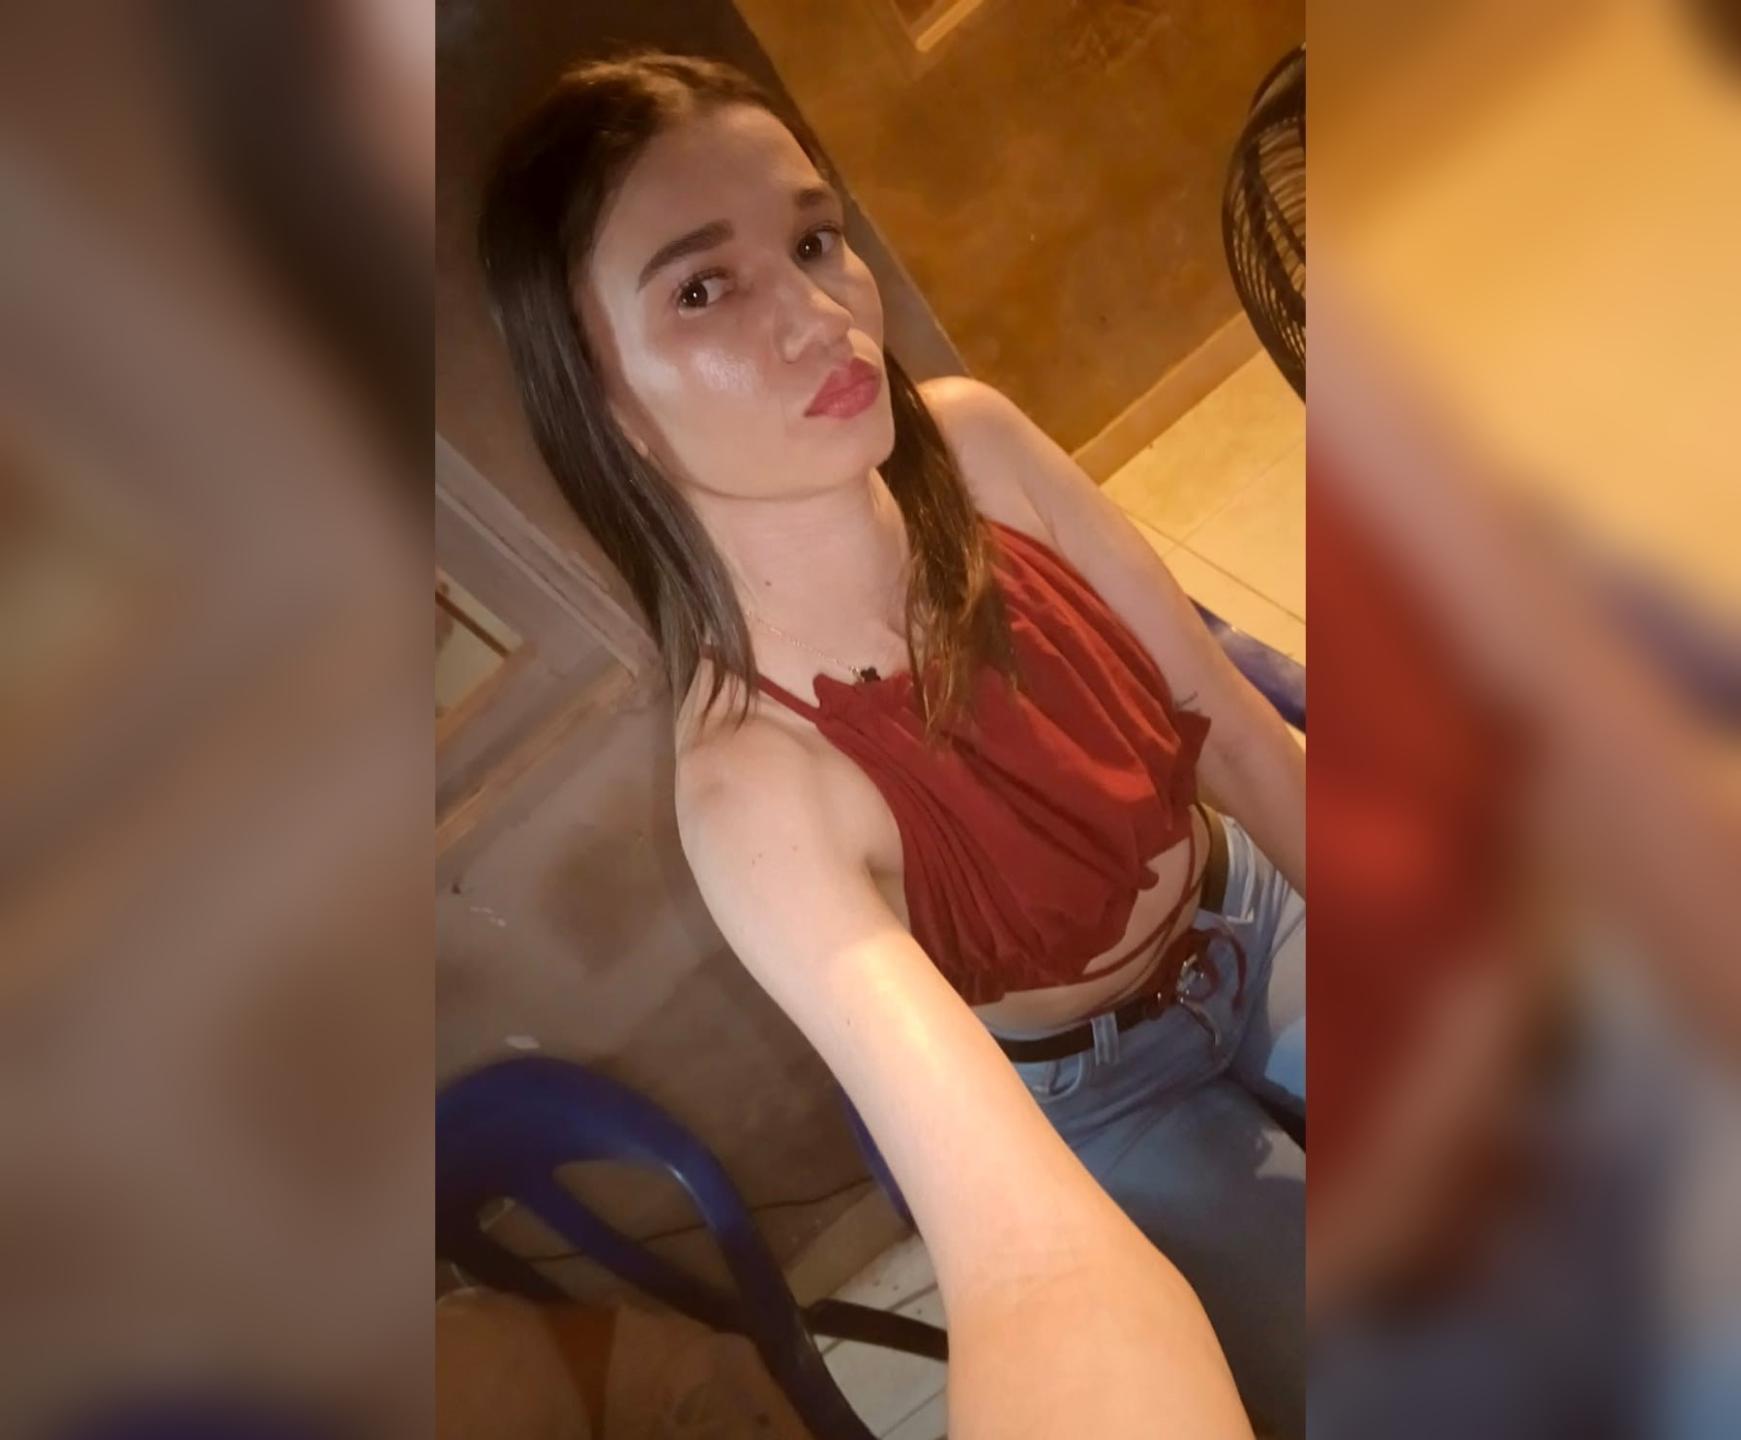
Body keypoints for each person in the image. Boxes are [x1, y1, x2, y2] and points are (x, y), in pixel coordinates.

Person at [479, 48, 1304, 1439]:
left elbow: (1232, 730)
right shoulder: (752, 787)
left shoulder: (976, 449)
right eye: (702, 289)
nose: (819, 318)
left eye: (813, 241)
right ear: (606, 405)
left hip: (1255, 912)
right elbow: (1023, 1258)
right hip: (1100, 1096)